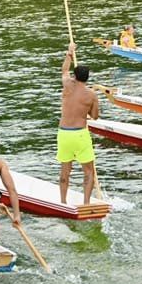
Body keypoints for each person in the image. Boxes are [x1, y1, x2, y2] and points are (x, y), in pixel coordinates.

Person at [58, 43, 101, 207]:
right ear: (87, 78)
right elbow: (95, 117)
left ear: (75, 77)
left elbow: (64, 70)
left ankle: (62, 201)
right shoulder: (91, 94)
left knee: (65, 169)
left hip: (64, 133)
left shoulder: (67, 85)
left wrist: (69, 53)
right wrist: (89, 107)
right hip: (80, 134)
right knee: (89, 171)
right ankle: (86, 203)